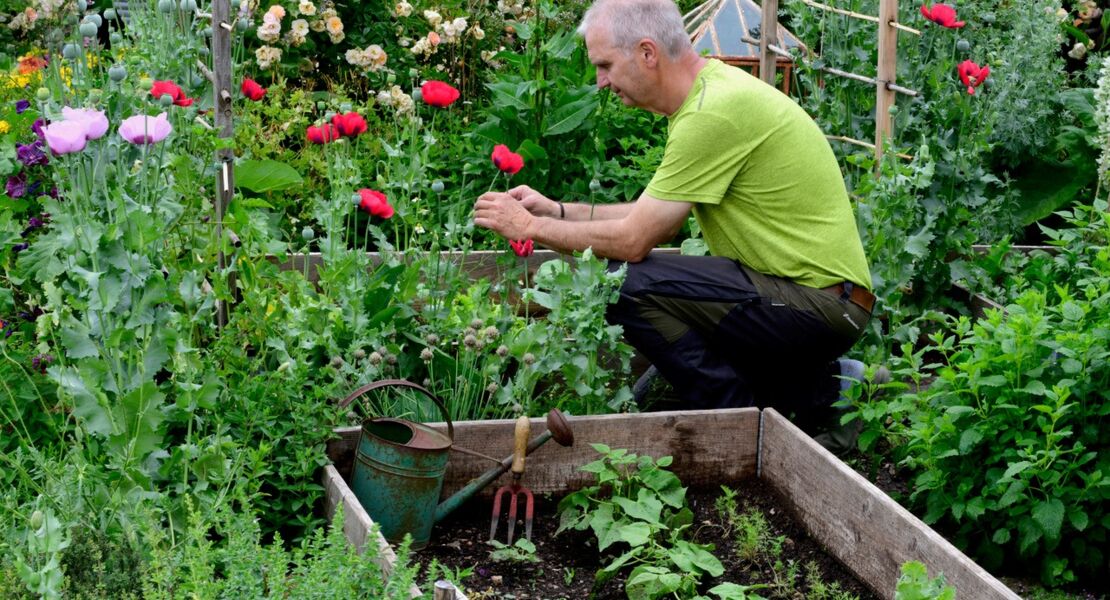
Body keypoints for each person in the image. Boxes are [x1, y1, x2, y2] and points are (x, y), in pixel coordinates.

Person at [473, 0, 877, 432]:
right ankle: (830, 391)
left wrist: (532, 227)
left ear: (647, 53)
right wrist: (558, 211)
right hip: (816, 298)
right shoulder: (708, 96)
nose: (600, 81)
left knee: (623, 282)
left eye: (605, 64)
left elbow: (633, 240)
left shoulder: (713, 111)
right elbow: (654, 213)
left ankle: (736, 422)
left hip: (821, 306)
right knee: (670, 290)